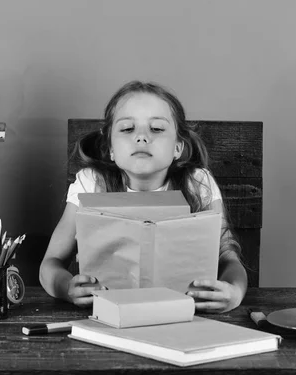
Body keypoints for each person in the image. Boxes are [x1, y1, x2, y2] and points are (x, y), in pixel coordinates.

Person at [39, 80, 247, 313]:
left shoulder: (198, 183)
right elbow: (50, 264)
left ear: (178, 147)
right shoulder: (91, 183)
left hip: (187, 317)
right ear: (110, 148)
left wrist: (234, 292)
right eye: (127, 129)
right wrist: (67, 287)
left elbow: (229, 260)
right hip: (107, 318)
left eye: (156, 129)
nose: (141, 137)